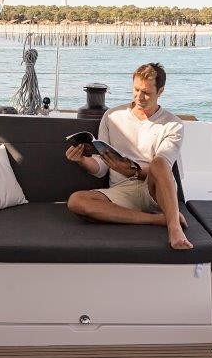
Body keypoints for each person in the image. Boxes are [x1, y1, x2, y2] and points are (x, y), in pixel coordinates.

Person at [65, 62, 192, 250]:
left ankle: (174, 228)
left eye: (146, 92)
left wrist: (132, 171)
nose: (139, 97)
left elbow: (163, 167)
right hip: (122, 191)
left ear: (160, 91)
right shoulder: (112, 116)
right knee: (76, 201)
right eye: (136, 90)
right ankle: (158, 220)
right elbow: (102, 167)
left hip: (154, 190)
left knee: (159, 163)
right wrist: (83, 160)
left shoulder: (173, 124)